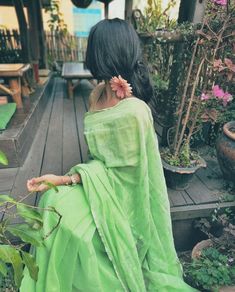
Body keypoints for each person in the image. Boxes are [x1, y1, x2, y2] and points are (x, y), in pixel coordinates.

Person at [21, 18, 196, 292]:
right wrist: (64, 180)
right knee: (51, 200)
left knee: (71, 226)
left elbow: (131, 177)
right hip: (96, 182)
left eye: (93, 49)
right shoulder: (97, 94)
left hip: (122, 198)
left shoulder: (135, 111)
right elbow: (99, 159)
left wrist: (69, 179)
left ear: (102, 52)